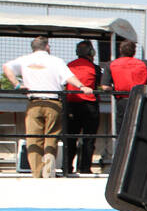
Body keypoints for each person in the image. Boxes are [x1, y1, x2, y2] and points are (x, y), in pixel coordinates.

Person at [3, 36, 96, 178]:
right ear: (47, 47)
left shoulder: (24, 60)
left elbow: (6, 67)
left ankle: (36, 173)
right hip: (53, 103)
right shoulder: (56, 61)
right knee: (51, 137)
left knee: (34, 139)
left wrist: (17, 84)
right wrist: (82, 86)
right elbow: (68, 77)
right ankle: (48, 171)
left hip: (34, 102)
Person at [106, 41, 147, 166]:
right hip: (139, 99)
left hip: (122, 100)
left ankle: (120, 161)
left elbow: (105, 86)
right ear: (134, 51)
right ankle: (138, 160)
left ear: (120, 50)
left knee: (121, 131)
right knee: (139, 129)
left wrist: (114, 90)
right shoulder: (143, 64)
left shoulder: (112, 64)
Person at [62, 40, 103, 176]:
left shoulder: (69, 66)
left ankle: (67, 167)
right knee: (89, 138)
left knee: (70, 138)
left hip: (71, 105)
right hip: (89, 106)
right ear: (91, 52)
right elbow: (99, 85)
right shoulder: (95, 68)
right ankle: (85, 168)